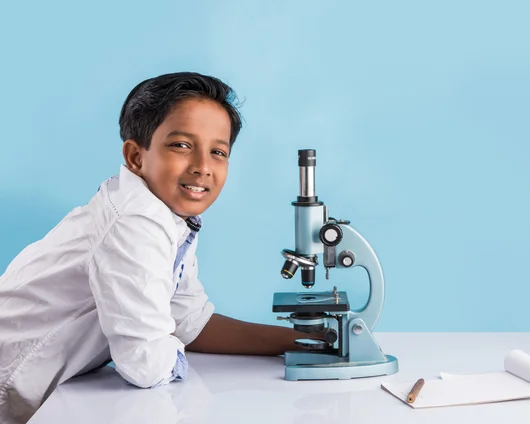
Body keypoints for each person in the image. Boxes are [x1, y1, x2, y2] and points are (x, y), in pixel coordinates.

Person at [0, 72, 313, 424]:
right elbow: (145, 362)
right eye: (181, 145)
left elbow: (186, 318)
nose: (202, 167)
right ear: (135, 156)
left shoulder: (168, 218)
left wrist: (301, 341)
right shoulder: (136, 221)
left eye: (218, 152)